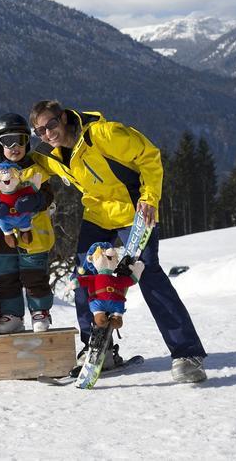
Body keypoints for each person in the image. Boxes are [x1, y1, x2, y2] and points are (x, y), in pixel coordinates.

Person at [28, 100, 208, 383]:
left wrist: (149, 198)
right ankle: (97, 348)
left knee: (148, 273)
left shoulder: (103, 134)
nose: (48, 133)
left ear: (63, 118)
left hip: (133, 211)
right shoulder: (51, 155)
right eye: (40, 131)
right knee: (84, 275)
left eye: (51, 124)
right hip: (99, 215)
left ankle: (187, 353)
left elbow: (149, 155)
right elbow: (28, 169)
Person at [0, 113, 56, 334]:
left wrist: (36, 200)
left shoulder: (35, 168)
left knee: (34, 275)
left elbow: (48, 195)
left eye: (19, 140)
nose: (14, 146)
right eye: (7, 141)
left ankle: (40, 311)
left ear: (27, 142)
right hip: (2, 237)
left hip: (34, 235)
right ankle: (12, 314)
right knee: (6, 277)